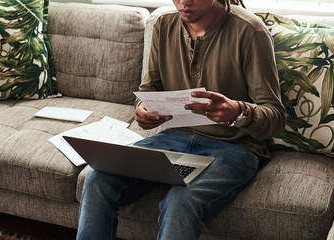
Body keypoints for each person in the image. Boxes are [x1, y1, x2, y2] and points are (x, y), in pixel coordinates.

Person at [76, 0, 286, 239]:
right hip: (173, 138)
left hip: (234, 147)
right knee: (97, 178)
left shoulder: (250, 31)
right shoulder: (164, 25)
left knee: (181, 200)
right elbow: (148, 90)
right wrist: (143, 111)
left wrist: (238, 111)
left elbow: (276, 117)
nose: (184, 2)